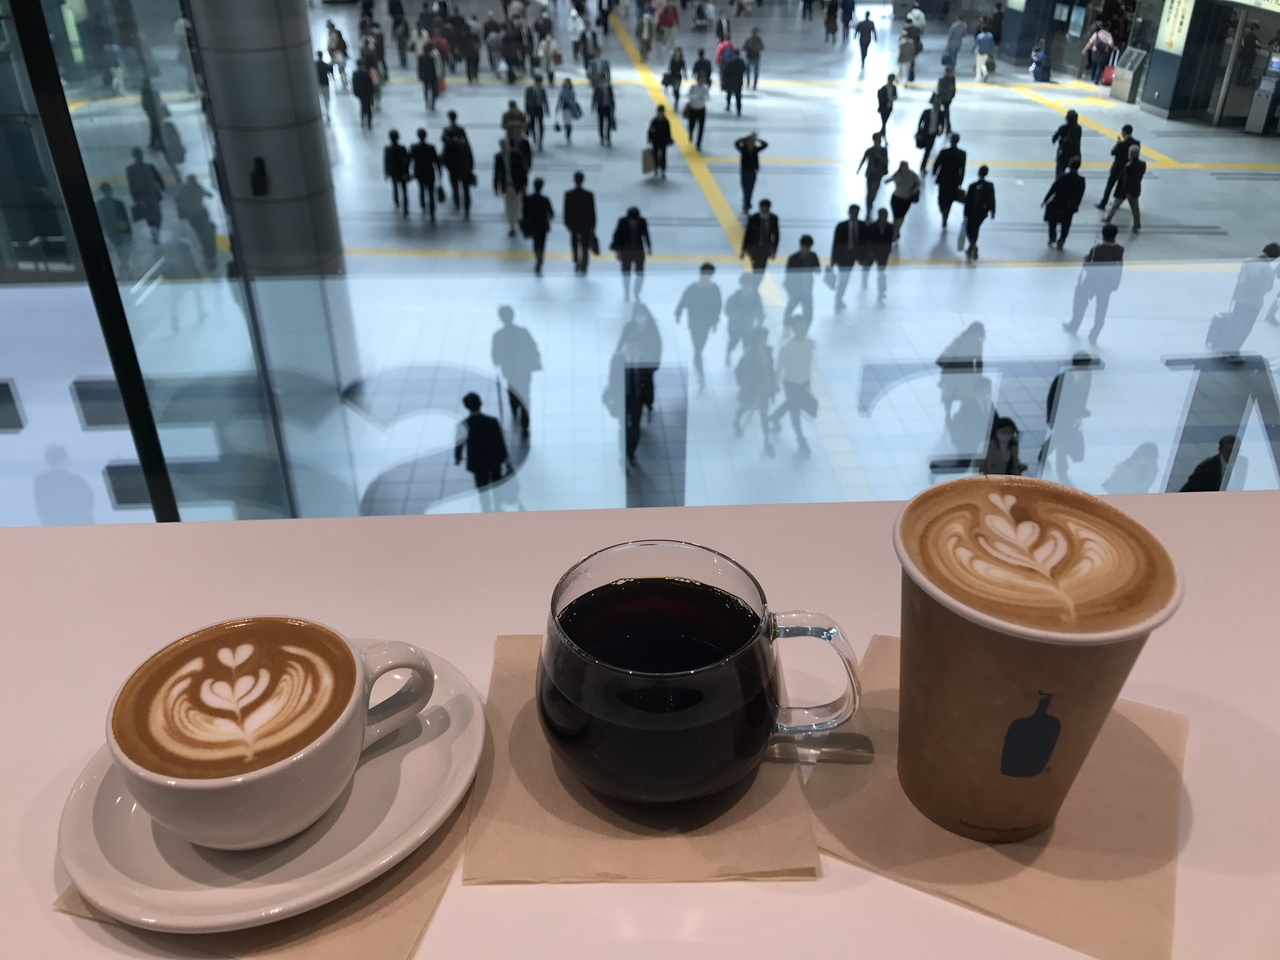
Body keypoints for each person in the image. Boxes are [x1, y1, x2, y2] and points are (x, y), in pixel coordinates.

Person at [616, 305, 663, 467]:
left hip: (638, 392)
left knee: (634, 425)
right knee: (624, 426)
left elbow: (657, 349)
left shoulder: (652, 332)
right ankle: (624, 452)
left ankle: (630, 452)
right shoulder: (619, 361)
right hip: (623, 395)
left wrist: (651, 363)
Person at [1064, 223, 1124, 343]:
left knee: (1080, 302)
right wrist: (1115, 285)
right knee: (1101, 308)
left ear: (1103, 234)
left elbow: (1088, 265)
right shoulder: (1120, 249)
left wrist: (1086, 258)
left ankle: (1074, 325)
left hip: (1092, 282)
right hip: (1107, 285)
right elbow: (1118, 266)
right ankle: (1095, 332)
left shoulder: (1097, 249)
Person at [454, 392, 513, 512]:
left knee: (482, 488)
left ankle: (485, 508)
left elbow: (459, 443)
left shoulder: (464, 425)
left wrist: (458, 457)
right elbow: (500, 442)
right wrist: (506, 459)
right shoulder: (492, 421)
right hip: (494, 460)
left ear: (466, 406)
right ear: (480, 403)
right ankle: (497, 506)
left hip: (477, 462)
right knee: (496, 484)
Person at [1040, 352, 1093, 483]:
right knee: (1062, 444)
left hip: (1073, 416)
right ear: (1076, 364)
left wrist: (1080, 413)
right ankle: (1062, 472)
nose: (1086, 368)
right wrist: (1050, 418)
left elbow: (1084, 395)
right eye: (1083, 365)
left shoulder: (1087, 376)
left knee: (1058, 439)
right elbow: (1051, 398)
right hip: (1061, 416)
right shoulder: (1062, 378)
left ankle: (1042, 454)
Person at [491, 306, 542, 442]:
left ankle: (515, 412)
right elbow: (533, 347)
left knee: (512, 392)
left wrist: (497, 361)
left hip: (509, 370)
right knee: (525, 392)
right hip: (524, 369)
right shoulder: (522, 332)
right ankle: (525, 421)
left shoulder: (499, 335)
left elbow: (495, 355)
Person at [768, 318, 816, 456]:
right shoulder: (787, 347)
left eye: (805, 327)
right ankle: (801, 440)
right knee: (795, 411)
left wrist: (808, 381)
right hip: (791, 383)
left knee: (792, 403)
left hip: (803, 383)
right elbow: (779, 368)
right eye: (800, 327)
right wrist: (776, 385)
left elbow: (807, 363)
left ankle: (775, 417)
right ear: (793, 329)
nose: (803, 330)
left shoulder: (809, 343)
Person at [674, 263, 723, 389]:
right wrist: (678, 314)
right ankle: (700, 373)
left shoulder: (714, 289)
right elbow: (682, 301)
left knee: (699, 346)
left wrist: (715, 322)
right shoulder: (693, 289)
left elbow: (717, 307)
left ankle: (698, 364)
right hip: (695, 323)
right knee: (698, 348)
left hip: (706, 323)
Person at [733, 326, 777, 457]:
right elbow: (747, 374)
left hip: (764, 389)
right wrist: (757, 386)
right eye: (764, 337)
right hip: (752, 389)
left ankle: (766, 442)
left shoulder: (768, 351)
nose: (766, 340)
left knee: (764, 415)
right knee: (746, 407)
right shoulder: (750, 354)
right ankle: (736, 421)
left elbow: (770, 370)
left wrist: (772, 387)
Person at [936, 321, 985, 423]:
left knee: (950, 395)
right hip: (965, 373)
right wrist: (978, 375)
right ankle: (958, 414)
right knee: (965, 394)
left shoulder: (960, 340)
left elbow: (949, 352)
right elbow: (979, 361)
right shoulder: (976, 343)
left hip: (953, 372)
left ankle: (948, 415)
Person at [828, 203, 866, 310]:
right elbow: (835, 244)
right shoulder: (841, 226)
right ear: (849, 213)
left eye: (857, 213)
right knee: (844, 278)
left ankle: (839, 298)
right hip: (843, 257)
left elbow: (865, 242)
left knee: (845, 278)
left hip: (855, 256)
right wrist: (833, 260)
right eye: (853, 212)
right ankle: (838, 298)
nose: (855, 215)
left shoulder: (862, 225)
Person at [1041, 157, 1085, 249]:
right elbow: (1080, 195)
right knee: (1066, 223)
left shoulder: (1062, 177)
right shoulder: (1081, 180)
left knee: (1052, 221)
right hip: (1070, 206)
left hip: (1058, 203)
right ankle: (1062, 239)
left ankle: (1052, 237)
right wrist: (1075, 206)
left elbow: (1053, 189)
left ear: (1069, 165)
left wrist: (1045, 200)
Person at [724, 271, 766, 366]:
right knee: (733, 342)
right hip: (735, 326)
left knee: (747, 344)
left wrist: (760, 321)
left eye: (748, 284)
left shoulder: (755, 297)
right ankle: (728, 353)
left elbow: (759, 311)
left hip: (748, 326)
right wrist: (734, 316)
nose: (745, 286)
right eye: (744, 283)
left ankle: (746, 361)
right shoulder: (736, 296)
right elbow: (727, 310)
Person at [610, 206, 652, 300]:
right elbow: (617, 235)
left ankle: (636, 291)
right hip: (628, 250)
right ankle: (628, 291)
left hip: (634, 250)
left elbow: (646, 234)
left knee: (638, 272)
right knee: (627, 273)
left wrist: (649, 246)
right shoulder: (624, 222)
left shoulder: (640, 222)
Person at [125, 148, 165, 244]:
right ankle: (155, 231)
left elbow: (131, 184)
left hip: (144, 197)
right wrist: (162, 188)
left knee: (151, 215)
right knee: (155, 215)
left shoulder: (131, 169)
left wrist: (135, 198)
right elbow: (158, 179)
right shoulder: (149, 167)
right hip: (151, 196)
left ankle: (154, 231)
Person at [1103, 144, 1145, 232]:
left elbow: (1126, 180)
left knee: (1115, 205)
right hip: (1135, 190)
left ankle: (1108, 218)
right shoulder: (1142, 164)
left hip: (1125, 190)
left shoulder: (1128, 165)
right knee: (1135, 209)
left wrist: (1127, 191)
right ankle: (1136, 225)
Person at [782, 235, 821, 331]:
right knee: (790, 309)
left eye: (808, 248)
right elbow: (789, 274)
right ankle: (786, 326)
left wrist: (810, 268)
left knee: (808, 312)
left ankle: (804, 328)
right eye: (805, 247)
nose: (806, 250)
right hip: (796, 289)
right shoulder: (793, 258)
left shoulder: (813, 256)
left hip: (807, 289)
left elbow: (818, 270)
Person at [96, 183, 133, 278]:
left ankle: (123, 269)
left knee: (121, 251)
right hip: (113, 231)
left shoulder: (111, 203)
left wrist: (128, 231)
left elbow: (125, 219)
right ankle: (123, 269)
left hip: (118, 231)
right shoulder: (110, 204)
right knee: (120, 251)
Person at [441, 112, 474, 218]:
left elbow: (444, 153)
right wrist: (471, 166)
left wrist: (444, 164)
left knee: (455, 186)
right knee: (466, 189)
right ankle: (466, 208)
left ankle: (457, 203)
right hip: (464, 168)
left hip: (453, 168)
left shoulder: (448, 141)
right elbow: (469, 152)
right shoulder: (463, 142)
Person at [493, 138, 529, 238]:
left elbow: (522, 170)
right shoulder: (498, 157)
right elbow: (496, 173)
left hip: (517, 185)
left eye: (505, 145)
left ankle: (518, 222)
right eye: (502, 146)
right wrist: (496, 186)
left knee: (518, 205)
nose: (504, 147)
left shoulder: (516, 155)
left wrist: (524, 183)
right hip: (506, 186)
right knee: (508, 206)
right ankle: (512, 226)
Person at [563, 171, 597, 274]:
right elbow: (592, 211)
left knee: (574, 243)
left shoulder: (568, 194)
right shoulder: (589, 195)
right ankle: (584, 263)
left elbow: (566, 210)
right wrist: (593, 224)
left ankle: (577, 261)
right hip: (586, 223)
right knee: (585, 245)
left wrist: (567, 222)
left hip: (574, 223)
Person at [1097, 125, 1138, 209]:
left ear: (1124, 132)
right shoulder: (1136, 143)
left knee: (1110, 186)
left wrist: (1118, 143)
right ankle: (1116, 204)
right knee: (1121, 187)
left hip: (1117, 168)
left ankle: (1103, 203)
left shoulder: (1121, 143)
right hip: (1128, 169)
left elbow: (1113, 152)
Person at [961, 164, 995, 261]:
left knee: (970, 230)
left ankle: (973, 247)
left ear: (978, 172)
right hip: (982, 213)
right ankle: (971, 248)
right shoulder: (989, 186)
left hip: (972, 212)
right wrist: (992, 211)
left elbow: (967, 201)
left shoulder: (972, 186)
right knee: (975, 229)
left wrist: (965, 213)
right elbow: (992, 199)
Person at [521, 177, 554, 274]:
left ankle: (538, 259)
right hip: (542, 224)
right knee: (542, 243)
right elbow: (551, 213)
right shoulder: (545, 199)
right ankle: (540, 260)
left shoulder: (528, 199)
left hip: (533, 224)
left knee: (535, 243)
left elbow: (524, 213)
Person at [932, 132, 966, 228]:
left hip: (943, 179)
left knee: (941, 197)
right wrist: (960, 181)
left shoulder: (944, 152)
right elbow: (962, 169)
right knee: (950, 199)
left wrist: (934, 173)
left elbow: (937, 163)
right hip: (954, 180)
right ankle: (945, 215)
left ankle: (943, 212)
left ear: (950, 141)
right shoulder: (962, 154)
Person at [409, 128, 442, 220]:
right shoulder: (431, 147)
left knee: (421, 188)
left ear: (418, 136)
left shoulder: (414, 147)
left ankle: (423, 205)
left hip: (419, 171)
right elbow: (436, 160)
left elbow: (411, 160)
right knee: (431, 191)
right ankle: (432, 209)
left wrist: (409, 171)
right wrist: (439, 172)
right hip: (430, 171)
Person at [741, 198, 779, 273]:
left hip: (766, 248)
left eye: (765, 207)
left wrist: (774, 249)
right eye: (762, 207)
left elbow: (776, 235)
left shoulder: (773, 219)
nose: (764, 209)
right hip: (754, 247)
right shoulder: (754, 218)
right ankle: (755, 278)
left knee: (761, 267)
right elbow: (748, 234)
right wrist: (743, 248)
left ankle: (755, 279)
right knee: (756, 267)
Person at [863, 207, 893, 301]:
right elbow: (867, 241)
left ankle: (881, 291)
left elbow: (890, 240)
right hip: (872, 252)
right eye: (883, 215)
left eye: (886, 216)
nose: (885, 217)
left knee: (881, 272)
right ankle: (864, 281)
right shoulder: (871, 227)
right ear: (879, 215)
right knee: (867, 268)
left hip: (883, 253)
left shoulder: (890, 227)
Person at [888, 160, 921, 241]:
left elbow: (918, 183)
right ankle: (895, 232)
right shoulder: (897, 173)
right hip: (896, 198)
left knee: (901, 216)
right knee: (896, 216)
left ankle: (896, 231)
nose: (904, 168)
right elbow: (889, 179)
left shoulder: (912, 174)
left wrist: (913, 190)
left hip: (906, 199)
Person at [735, 132, 768, 212]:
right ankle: (747, 203)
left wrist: (757, 139)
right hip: (744, 172)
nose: (750, 143)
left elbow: (765, 144)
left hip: (752, 172)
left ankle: (747, 204)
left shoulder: (756, 150)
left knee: (750, 189)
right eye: (749, 142)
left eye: (752, 142)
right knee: (745, 189)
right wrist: (744, 138)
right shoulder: (743, 149)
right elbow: (736, 143)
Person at [858, 131, 890, 209]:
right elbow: (864, 159)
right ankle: (868, 205)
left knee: (875, 189)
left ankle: (871, 201)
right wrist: (859, 168)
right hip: (871, 172)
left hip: (879, 173)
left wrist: (879, 157)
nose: (879, 140)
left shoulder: (883, 150)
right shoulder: (870, 150)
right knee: (869, 190)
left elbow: (886, 161)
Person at [384, 130, 412, 215]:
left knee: (395, 186)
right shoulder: (403, 148)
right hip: (402, 171)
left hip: (393, 171)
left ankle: (396, 201)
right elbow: (406, 160)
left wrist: (386, 172)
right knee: (404, 189)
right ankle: (405, 206)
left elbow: (386, 161)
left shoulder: (387, 149)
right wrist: (407, 171)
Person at [916, 95, 945, 172]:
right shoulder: (926, 112)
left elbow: (942, 123)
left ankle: (923, 166)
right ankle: (923, 166)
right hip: (925, 133)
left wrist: (941, 131)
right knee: (924, 149)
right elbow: (920, 122)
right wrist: (919, 132)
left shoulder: (941, 113)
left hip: (933, 134)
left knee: (928, 151)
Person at [1052, 110, 1082, 181]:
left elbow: (1053, 139)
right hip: (1075, 155)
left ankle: (1059, 184)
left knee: (1059, 174)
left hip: (1063, 155)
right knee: (1074, 175)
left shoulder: (1063, 128)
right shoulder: (1078, 129)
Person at [1082, 20, 1113, 85]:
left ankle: (1093, 77)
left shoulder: (1096, 33)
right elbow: (1111, 44)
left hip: (1094, 52)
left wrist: (1085, 50)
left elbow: (1090, 42)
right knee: (1099, 65)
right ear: (1108, 27)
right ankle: (1096, 79)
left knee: (1094, 64)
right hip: (1103, 53)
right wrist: (1115, 48)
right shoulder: (1108, 35)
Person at [524, 77, 550, 151]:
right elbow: (526, 100)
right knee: (532, 123)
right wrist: (526, 111)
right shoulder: (529, 90)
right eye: (539, 83)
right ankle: (534, 136)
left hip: (539, 108)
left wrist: (547, 109)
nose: (540, 84)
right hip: (532, 109)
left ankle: (540, 139)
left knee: (541, 124)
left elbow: (545, 100)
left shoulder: (542, 90)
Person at [647, 106, 673, 178]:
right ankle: (656, 167)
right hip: (656, 140)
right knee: (655, 154)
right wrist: (650, 139)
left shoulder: (665, 121)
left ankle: (662, 169)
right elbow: (650, 130)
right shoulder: (655, 121)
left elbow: (668, 132)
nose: (661, 113)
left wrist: (668, 139)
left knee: (663, 155)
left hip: (663, 141)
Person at [139, 78, 164, 152]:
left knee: (153, 126)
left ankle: (153, 142)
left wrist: (146, 109)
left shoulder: (144, 91)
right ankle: (157, 141)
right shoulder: (152, 90)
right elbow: (157, 100)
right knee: (156, 126)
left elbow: (144, 102)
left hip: (150, 111)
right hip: (154, 111)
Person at [686, 78, 711, 150]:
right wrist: (695, 97)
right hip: (693, 108)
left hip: (701, 109)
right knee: (691, 124)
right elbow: (689, 95)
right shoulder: (693, 87)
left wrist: (704, 97)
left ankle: (698, 143)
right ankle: (691, 133)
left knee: (701, 127)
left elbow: (708, 98)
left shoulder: (705, 88)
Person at [352, 58, 376, 129]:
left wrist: (355, 92)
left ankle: (362, 121)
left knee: (362, 106)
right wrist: (372, 92)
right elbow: (370, 83)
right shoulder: (367, 72)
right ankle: (369, 122)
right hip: (367, 93)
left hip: (360, 93)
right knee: (368, 107)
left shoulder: (355, 73)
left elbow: (354, 84)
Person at [555, 79, 581, 144]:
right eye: (566, 83)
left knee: (569, 122)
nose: (567, 84)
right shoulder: (562, 92)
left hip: (570, 108)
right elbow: (560, 100)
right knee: (566, 122)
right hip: (564, 108)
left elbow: (574, 100)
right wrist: (557, 108)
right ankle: (567, 133)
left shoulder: (572, 92)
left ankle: (568, 134)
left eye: (568, 83)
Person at [592, 79, 617, 145]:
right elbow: (594, 97)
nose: (603, 82)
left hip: (608, 107)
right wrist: (593, 106)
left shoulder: (609, 88)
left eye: (604, 80)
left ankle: (608, 137)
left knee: (609, 123)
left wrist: (613, 106)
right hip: (600, 107)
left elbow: (612, 97)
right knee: (601, 123)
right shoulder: (597, 88)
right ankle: (602, 137)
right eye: (601, 80)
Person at [722, 49, 746, 115]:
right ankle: (738, 110)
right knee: (738, 96)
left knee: (729, 94)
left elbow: (726, 71)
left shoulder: (730, 62)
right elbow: (744, 69)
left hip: (730, 81)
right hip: (738, 81)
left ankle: (728, 106)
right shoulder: (741, 62)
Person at [327, 20, 350, 87]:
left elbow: (339, 41)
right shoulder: (329, 33)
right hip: (333, 51)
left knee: (341, 66)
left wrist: (335, 48)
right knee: (337, 64)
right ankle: (342, 77)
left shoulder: (337, 32)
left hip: (338, 51)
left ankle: (344, 78)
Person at [315, 51, 334, 123]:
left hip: (317, 84)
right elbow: (331, 72)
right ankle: (327, 112)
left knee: (318, 98)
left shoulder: (315, 65)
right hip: (325, 84)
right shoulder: (325, 65)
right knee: (326, 98)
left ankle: (320, 111)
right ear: (322, 56)